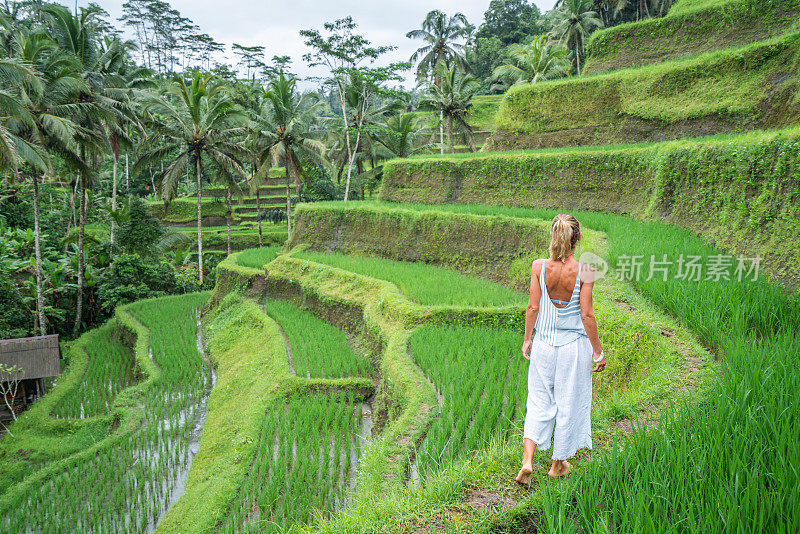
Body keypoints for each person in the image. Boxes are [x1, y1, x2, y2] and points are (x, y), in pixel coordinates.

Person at [515, 213, 605, 484]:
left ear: (554, 237)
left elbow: (533, 307)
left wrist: (528, 338)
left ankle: (527, 461)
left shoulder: (539, 267)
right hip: (573, 349)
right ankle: (557, 465)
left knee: (538, 402)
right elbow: (587, 314)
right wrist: (598, 351)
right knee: (568, 403)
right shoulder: (586, 270)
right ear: (578, 238)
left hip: (543, 344)